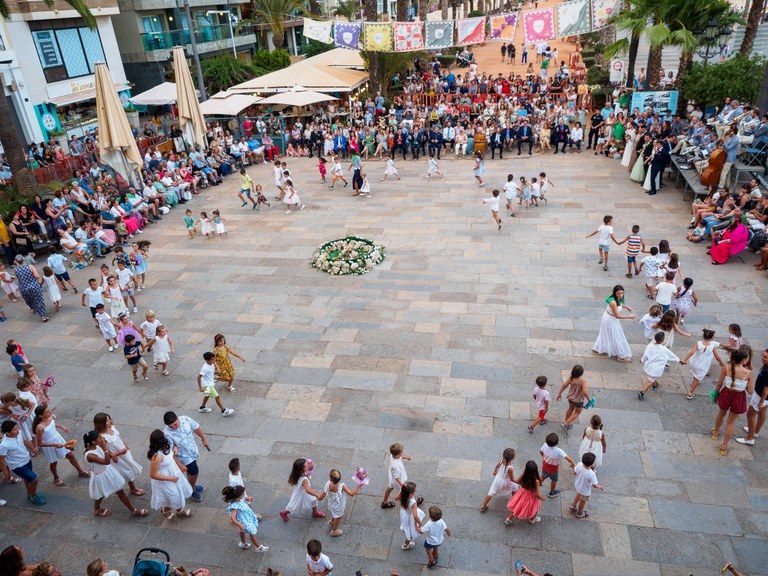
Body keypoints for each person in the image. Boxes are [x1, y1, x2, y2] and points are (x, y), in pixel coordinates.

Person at [83, 430, 148, 517]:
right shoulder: (90, 455)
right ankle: (97, 508)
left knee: (117, 491)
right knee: (102, 494)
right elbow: (106, 462)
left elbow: (106, 455)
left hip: (107, 472)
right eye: (99, 437)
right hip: (101, 476)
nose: (102, 438)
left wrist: (113, 454)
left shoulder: (96, 447)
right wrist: (105, 448)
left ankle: (132, 510)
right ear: (93, 442)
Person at [33, 404, 90, 486]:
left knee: (70, 455)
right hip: (50, 445)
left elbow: (52, 425)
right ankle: (56, 478)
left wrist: (61, 427)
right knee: (53, 462)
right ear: (41, 416)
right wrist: (54, 445)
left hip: (58, 439)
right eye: (47, 412)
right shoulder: (40, 428)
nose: (50, 413)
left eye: (49, 411)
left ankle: (80, 472)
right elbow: (40, 443)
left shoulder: (50, 417)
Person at [712, 349, 754, 456]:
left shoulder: (726, 368)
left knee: (721, 414)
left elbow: (719, 384)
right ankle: (724, 445)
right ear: (744, 360)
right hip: (739, 396)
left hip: (726, 393)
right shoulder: (749, 373)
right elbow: (750, 391)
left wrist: (715, 395)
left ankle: (715, 432)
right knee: (731, 422)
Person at [163, 411, 210, 503]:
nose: (173, 427)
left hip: (192, 450)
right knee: (194, 471)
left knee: (191, 471)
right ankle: (192, 490)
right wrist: (175, 450)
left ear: (177, 418)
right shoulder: (167, 433)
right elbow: (170, 448)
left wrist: (203, 439)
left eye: (175, 424)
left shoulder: (185, 419)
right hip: (183, 456)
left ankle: (190, 484)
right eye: (171, 426)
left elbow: (196, 428)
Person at [93, 412, 144, 496]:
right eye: (107, 421)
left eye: (109, 419)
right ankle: (132, 488)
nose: (110, 421)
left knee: (130, 467)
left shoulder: (112, 428)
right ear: (101, 424)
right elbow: (103, 449)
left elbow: (118, 438)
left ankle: (132, 487)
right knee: (126, 471)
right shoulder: (101, 437)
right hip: (117, 458)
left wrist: (124, 445)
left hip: (124, 454)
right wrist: (117, 454)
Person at [147, 429, 194, 519]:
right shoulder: (157, 456)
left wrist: (174, 449)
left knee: (178, 492)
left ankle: (179, 509)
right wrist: (170, 478)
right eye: (165, 436)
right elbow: (153, 474)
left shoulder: (165, 447)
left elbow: (172, 451)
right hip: (166, 479)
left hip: (173, 472)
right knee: (173, 495)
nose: (167, 436)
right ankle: (167, 509)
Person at [0, 421, 45, 505]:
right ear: (8, 433)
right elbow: (1, 460)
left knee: (28, 479)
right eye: (14, 429)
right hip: (17, 466)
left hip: (27, 459)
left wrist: (32, 448)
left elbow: (24, 441)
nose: (17, 430)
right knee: (34, 479)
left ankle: (30, 493)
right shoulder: (4, 445)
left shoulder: (19, 433)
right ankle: (33, 496)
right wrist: (6, 473)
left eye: (17, 428)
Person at [592, 285, 635, 362]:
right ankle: (621, 356)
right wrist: (629, 317)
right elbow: (617, 316)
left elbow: (620, 304)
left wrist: (627, 307)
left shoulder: (616, 298)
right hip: (610, 319)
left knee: (605, 333)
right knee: (617, 336)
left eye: (622, 293)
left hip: (610, 318)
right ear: (615, 293)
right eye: (618, 293)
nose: (620, 295)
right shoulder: (613, 302)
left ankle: (597, 348)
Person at [680, 329, 724, 399]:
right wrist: (722, 364)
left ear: (703, 336)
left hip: (694, 362)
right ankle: (690, 393)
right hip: (703, 365)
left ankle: (695, 380)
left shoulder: (698, 343)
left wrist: (685, 360)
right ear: (712, 338)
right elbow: (717, 357)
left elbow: (691, 352)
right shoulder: (712, 346)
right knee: (697, 378)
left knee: (696, 374)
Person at [737, 347, 768, 446]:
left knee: (750, 414)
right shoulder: (766, 368)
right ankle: (755, 432)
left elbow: (766, 390)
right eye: (763, 355)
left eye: (766, 357)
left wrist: (761, 402)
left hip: (760, 396)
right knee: (762, 412)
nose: (762, 358)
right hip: (765, 398)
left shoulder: (766, 372)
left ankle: (750, 438)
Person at [222, 485, 268, 551]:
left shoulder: (238, 499)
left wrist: (248, 498)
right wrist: (239, 524)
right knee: (252, 533)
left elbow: (243, 499)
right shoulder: (235, 506)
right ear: (238, 496)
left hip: (247, 518)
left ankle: (243, 543)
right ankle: (258, 547)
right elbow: (232, 518)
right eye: (243, 494)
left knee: (242, 531)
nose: (244, 495)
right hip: (245, 522)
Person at [638, 332, 681, 400]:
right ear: (663, 340)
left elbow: (645, 355)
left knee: (653, 378)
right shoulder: (664, 349)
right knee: (651, 380)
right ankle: (642, 392)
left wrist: (642, 360)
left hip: (649, 366)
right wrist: (679, 360)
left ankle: (655, 385)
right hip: (656, 369)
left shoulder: (650, 346)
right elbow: (672, 356)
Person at [320, 468, 362, 536]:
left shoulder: (328, 484)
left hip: (331, 504)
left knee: (333, 512)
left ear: (330, 477)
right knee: (338, 517)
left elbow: (323, 494)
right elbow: (352, 493)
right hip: (338, 506)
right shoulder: (341, 486)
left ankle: (332, 520)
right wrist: (359, 486)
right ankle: (334, 531)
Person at [505, 460, 545, 525]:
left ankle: (509, 519)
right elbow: (537, 494)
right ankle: (532, 519)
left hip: (522, 493)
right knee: (536, 507)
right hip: (532, 496)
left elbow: (517, 482)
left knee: (517, 505)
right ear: (535, 470)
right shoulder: (536, 481)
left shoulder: (523, 475)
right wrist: (542, 498)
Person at [479, 448, 518, 512]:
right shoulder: (510, 468)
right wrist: (519, 482)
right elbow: (512, 479)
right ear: (513, 458)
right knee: (514, 488)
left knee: (491, 492)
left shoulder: (502, 460)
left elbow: (497, 466)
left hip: (498, 480)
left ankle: (483, 506)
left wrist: (495, 471)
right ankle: (514, 500)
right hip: (506, 481)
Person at [198, 352, 235, 416]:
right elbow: (198, 377)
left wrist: (217, 369)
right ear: (207, 360)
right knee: (217, 396)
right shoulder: (205, 368)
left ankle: (202, 407)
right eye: (212, 360)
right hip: (208, 385)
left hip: (210, 382)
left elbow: (213, 366)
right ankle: (223, 411)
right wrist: (200, 387)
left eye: (213, 359)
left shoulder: (211, 363)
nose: (214, 361)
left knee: (207, 395)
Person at [12, 255, 48, 322]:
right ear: (24, 259)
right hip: (34, 286)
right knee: (39, 300)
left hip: (23, 287)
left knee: (29, 299)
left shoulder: (15, 269)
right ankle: (43, 316)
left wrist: (16, 263)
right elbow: (37, 276)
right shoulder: (30, 266)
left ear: (16, 261)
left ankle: (33, 308)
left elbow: (16, 277)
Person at [568, 452, 603, 519]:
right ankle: (579, 513)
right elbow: (595, 485)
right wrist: (600, 486)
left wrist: (573, 467)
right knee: (582, 502)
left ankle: (573, 506)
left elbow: (575, 472)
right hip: (585, 491)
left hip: (578, 485)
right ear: (592, 464)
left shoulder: (579, 464)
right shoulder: (592, 474)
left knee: (578, 494)